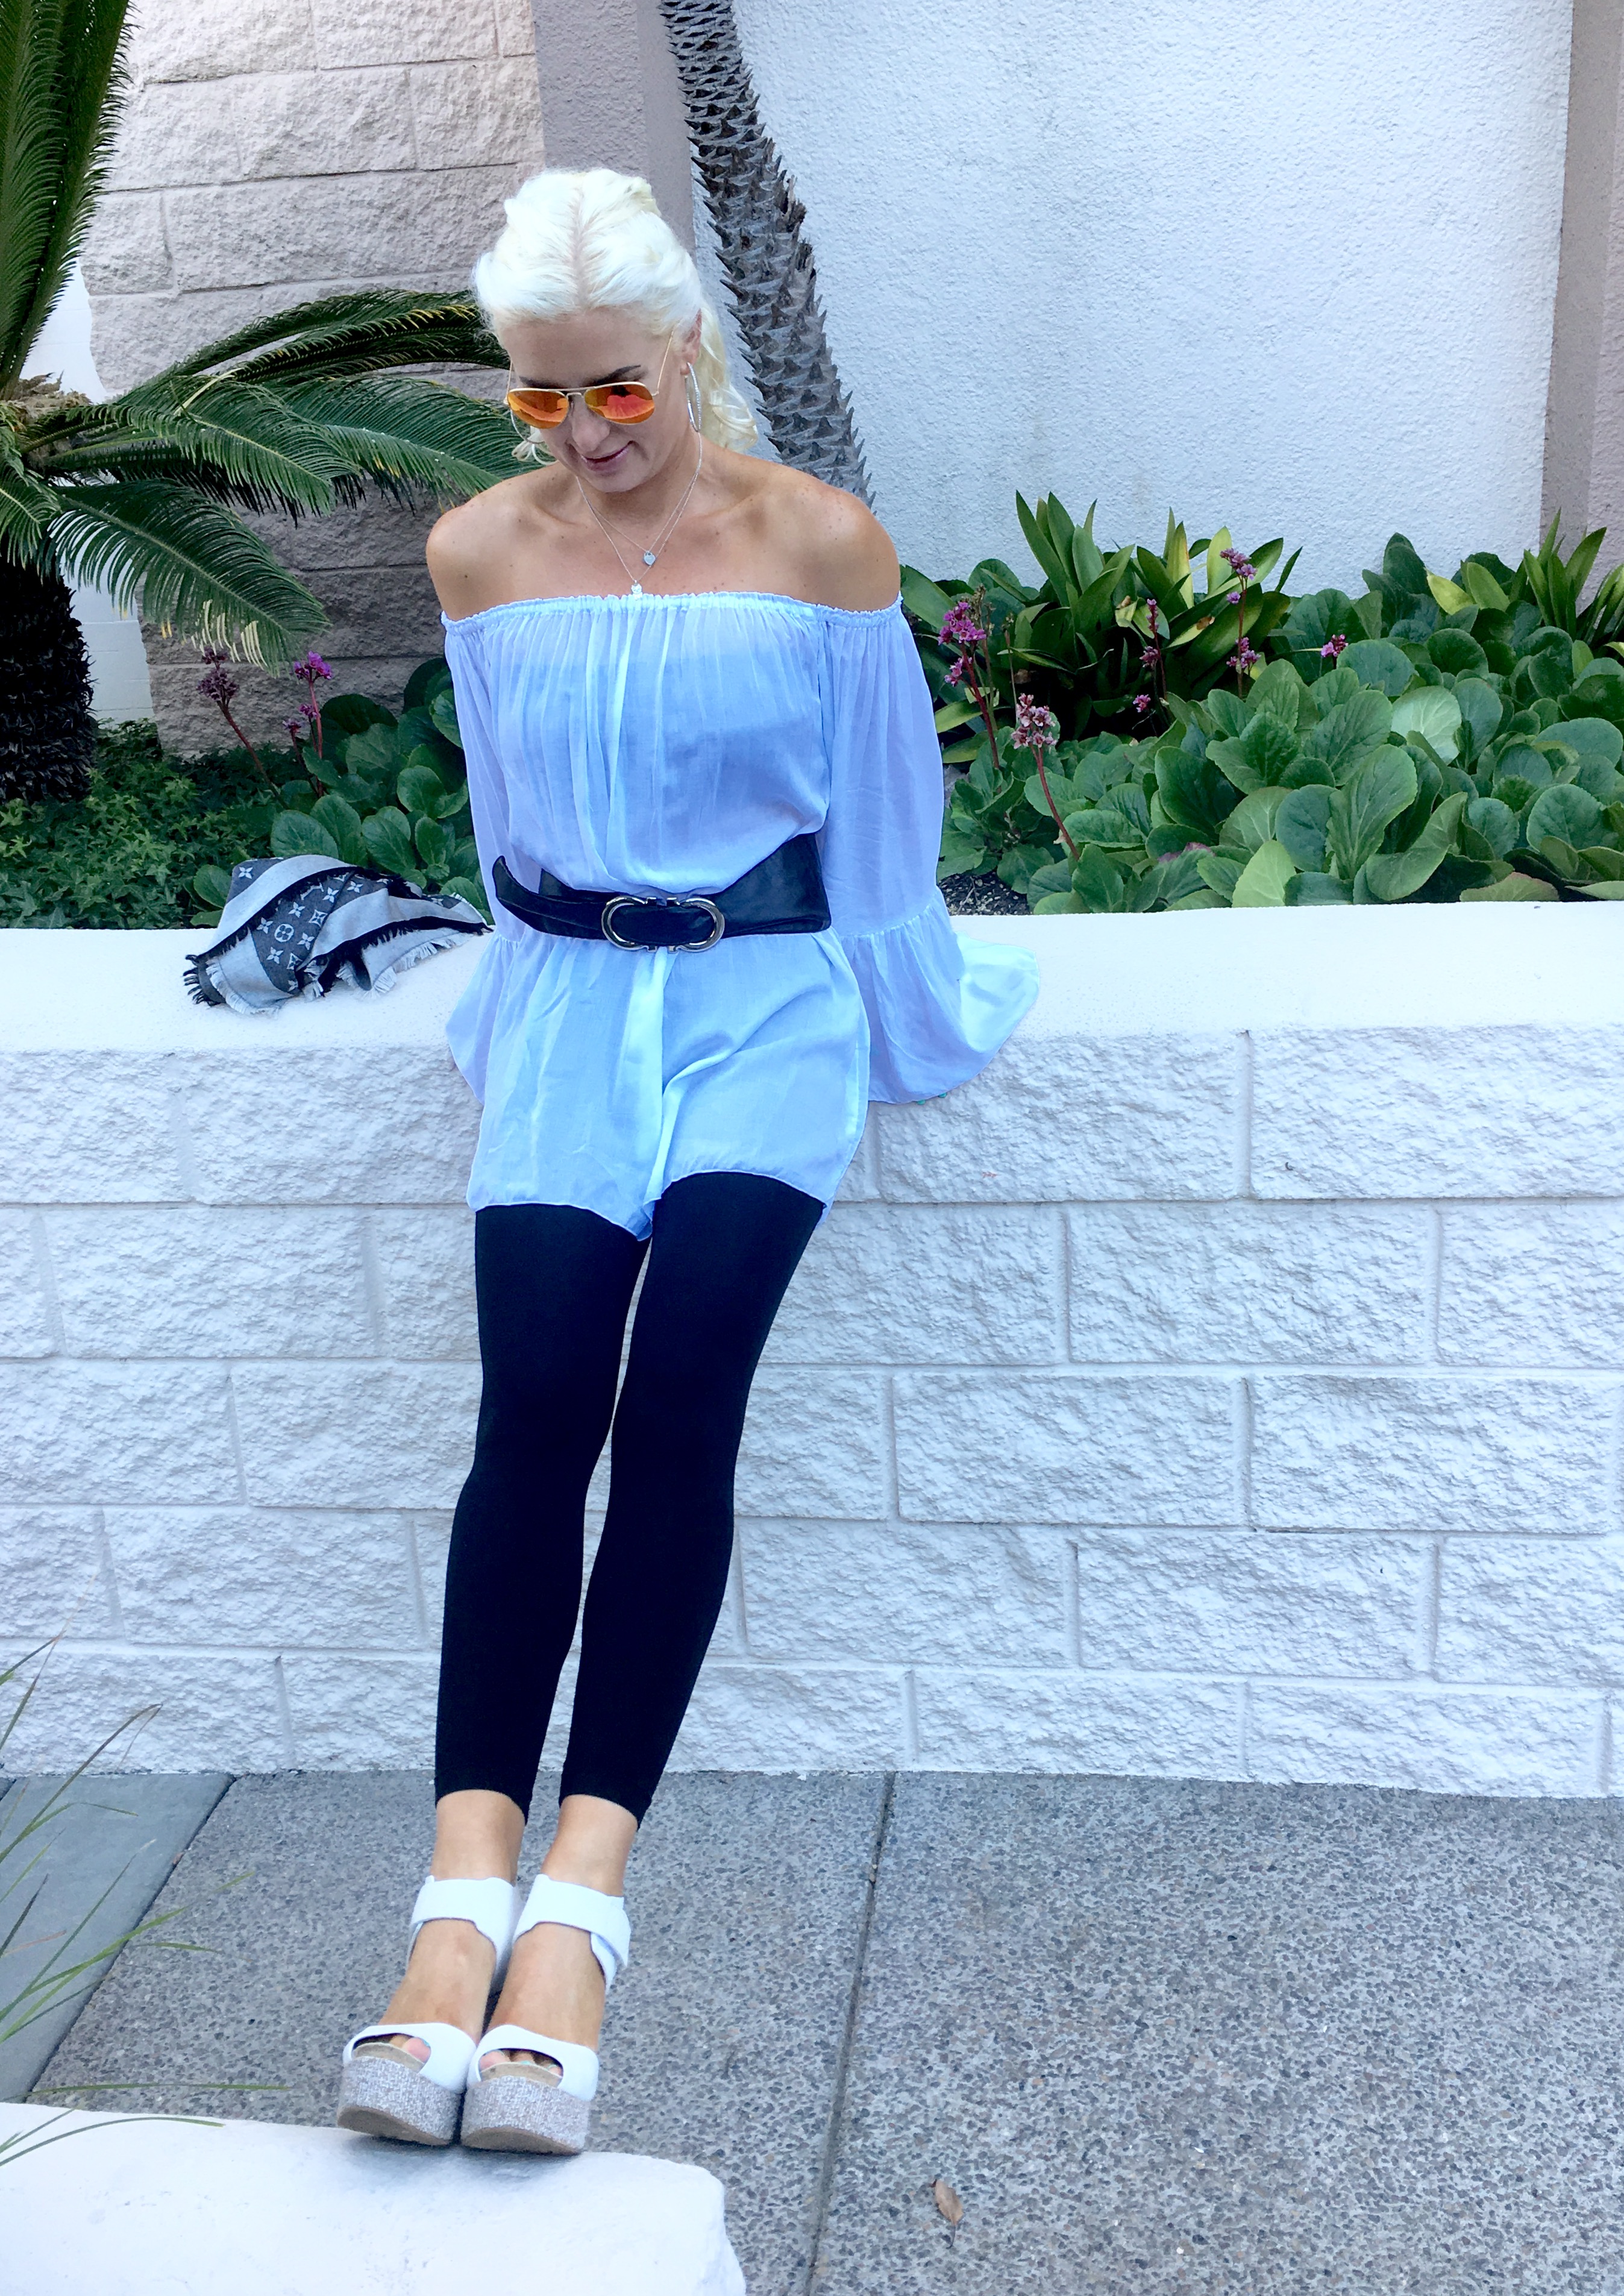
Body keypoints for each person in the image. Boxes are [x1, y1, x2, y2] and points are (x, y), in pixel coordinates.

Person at [335, 166, 1038, 2156]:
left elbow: (882, 832)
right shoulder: (480, 555)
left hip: (767, 1011)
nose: (587, 434)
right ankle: (455, 1904)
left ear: (688, 349)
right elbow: (506, 833)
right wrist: (506, 1022)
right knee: (534, 1402)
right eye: (543, 398)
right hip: (571, 1016)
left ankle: (579, 1914)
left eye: (620, 389)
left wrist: (913, 1019)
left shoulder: (821, 545)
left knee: (678, 1395)